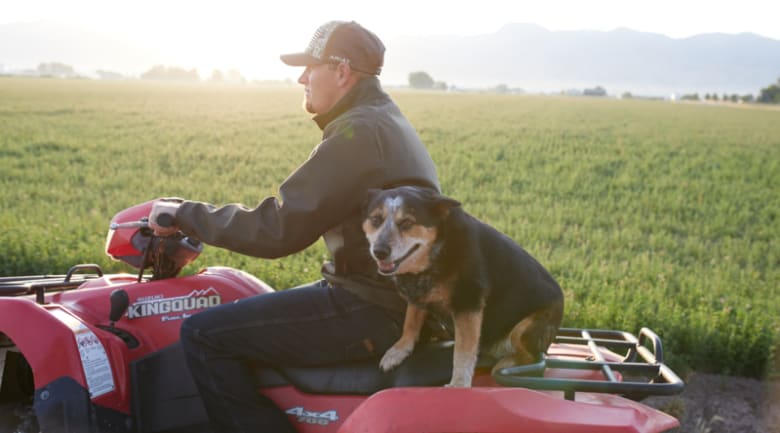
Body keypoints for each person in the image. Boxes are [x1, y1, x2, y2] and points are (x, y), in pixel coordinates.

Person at [148, 20, 440, 433]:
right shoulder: (379, 118)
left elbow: (279, 229)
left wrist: (183, 213)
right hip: (389, 295)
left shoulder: (358, 132)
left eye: (311, 67)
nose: (301, 78)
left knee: (202, 333)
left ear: (341, 72)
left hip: (373, 304)